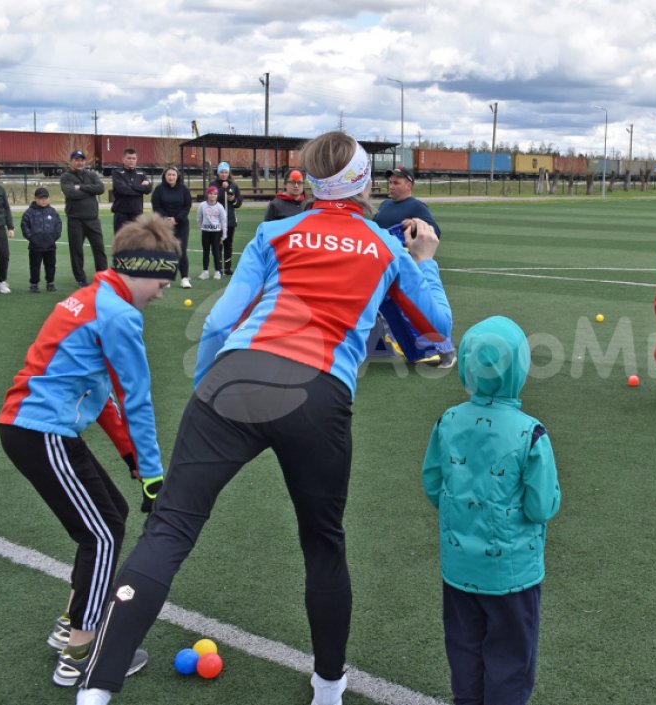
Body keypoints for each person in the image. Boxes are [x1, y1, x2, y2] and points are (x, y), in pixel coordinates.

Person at [73, 131, 452, 705]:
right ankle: (329, 687)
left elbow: (224, 322)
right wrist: (425, 262)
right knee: (323, 542)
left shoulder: (276, 232)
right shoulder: (387, 248)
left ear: (311, 179)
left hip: (233, 378)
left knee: (168, 531)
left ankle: (95, 691)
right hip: (317, 393)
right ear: (363, 181)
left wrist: (208, 393)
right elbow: (433, 338)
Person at [0, 215, 179, 688]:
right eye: (161, 282)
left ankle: (69, 626)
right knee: (101, 535)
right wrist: (155, 476)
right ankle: (83, 651)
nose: (162, 292)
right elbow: (136, 398)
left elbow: (102, 398)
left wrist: (136, 465)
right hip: (42, 433)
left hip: (37, 431)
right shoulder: (119, 315)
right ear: (139, 270)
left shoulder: (94, 299)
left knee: (110, 516)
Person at [422, 315, 561, 705]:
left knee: (464, 650)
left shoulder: (447, 421)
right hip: (513, 575)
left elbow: (433, 484)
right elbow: (540, 506)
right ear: (519, 368)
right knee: (511, 660)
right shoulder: (530, 431)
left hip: (459, 568)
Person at [373, 165, 457, 368]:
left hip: (406, 268)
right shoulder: (384, 205)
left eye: (396, 182)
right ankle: (392, 346)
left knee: (417, 310)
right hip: (384, 265)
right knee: (384, 309)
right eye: (390, 182)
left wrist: (414, 223)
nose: (391, 186)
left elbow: (433, 232)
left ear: (408, 185)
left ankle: (443, 351)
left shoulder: (416, 207)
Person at [60, 150, 108, 287]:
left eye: (82, 160)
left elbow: (100, 188)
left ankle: (102, 276)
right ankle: (80, 278)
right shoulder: (66, 177)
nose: (80, 162)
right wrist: (89, 191)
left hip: (93, 219)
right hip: (75, 220)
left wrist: (80, 187)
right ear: (71, 161)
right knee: (76, 251)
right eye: (77, 160)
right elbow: (70, 193)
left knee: (99, 249)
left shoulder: (91, 174)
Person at [151, 165, 193, 288]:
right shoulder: (159, 189)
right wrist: (166, 218)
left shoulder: (184, 189)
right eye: (169, 174)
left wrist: (176, 218)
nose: (171, 177)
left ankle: (184, 278)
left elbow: (187, 206)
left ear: (177, 176)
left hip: (181, 224)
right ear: (165, 176)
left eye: (173, 175)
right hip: (164, 225)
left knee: (181, 250)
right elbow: (156, 207)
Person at [20, 186, 63, 292]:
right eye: (41, 198)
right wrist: (31, 237)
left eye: (45, 198)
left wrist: (53, 237)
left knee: (51, 265)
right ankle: (34, 284)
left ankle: (50, 283)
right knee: (35, 266)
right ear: (36, 199)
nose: (43, 200)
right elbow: (24, 226)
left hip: (50, 245)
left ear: (49, 199)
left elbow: (58, 225)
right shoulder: (29, 212)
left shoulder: (53, 212)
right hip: (35, 246)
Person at [210, 161, 242, 275]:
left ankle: (227, 268)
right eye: (222, 172)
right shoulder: (213, 185)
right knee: (218, 244)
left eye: (226, 172)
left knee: (228, 244)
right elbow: (210, 199)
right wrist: (221, 190)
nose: (224, 174)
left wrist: (232, 199)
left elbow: (238, 203)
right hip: (216, 221)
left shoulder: (233, 185)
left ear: (229, 173)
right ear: (218, 173)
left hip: (230, 221)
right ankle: (218, 268)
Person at [111, 148, 152, 233]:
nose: (131, 161)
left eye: (133, 158)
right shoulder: (117, 173)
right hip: (121, 214)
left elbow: (148, 189)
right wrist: (140, 188)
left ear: (136, 160)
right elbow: (122, 189)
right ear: (123, 159)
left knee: (137, 243)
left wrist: (130, 186)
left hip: (137, 214)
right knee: (122, 243)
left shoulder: (141, 174)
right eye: (129, 158)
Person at [196, 186, 226, 280]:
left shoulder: (220, 207)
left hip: (216, 233)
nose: (212, 196)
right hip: (205, 232)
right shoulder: (202, 205)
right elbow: (199, 217)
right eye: (210, 193)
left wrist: (223, 235)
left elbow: (223, 221)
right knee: (205, 251)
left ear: (217, 195)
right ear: (207, 194)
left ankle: (217, 271)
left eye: (214, 194)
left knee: (216, 252)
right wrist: (202, 226)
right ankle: (205, 271)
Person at [0, 164, 15, 293]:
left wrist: (10, 227)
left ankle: (1, 281)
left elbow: (6, 209)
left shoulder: (0, 190)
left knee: (4, 255)